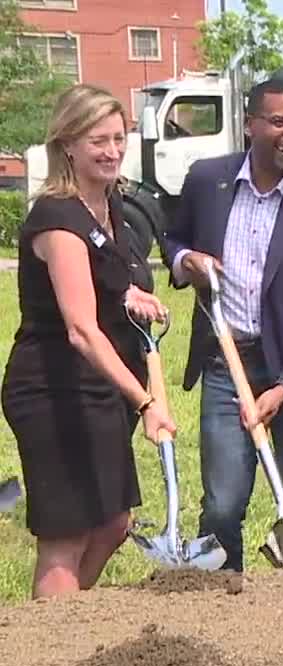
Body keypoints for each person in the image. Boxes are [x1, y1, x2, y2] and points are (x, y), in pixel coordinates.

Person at [159, 78, 283, 571]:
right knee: (222, 506)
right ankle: (222, 615)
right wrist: (185, 261)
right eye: (280, 122)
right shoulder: (208, 181)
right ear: (250, 125)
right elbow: (173, 237)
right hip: (227, 365)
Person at [1, 84, 173, 599]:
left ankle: (64, 623)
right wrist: (145, 402)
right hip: (54, 392)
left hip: (101, 391)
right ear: (68, 143)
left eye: (119, 138)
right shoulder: (58, 218)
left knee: (113, 523)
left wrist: (133, 297)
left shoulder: (112, 206)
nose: (112, 150)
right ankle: (49, 652)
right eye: (98, 139)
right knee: (67, 536)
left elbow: (113, 285)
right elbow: (80, 329)